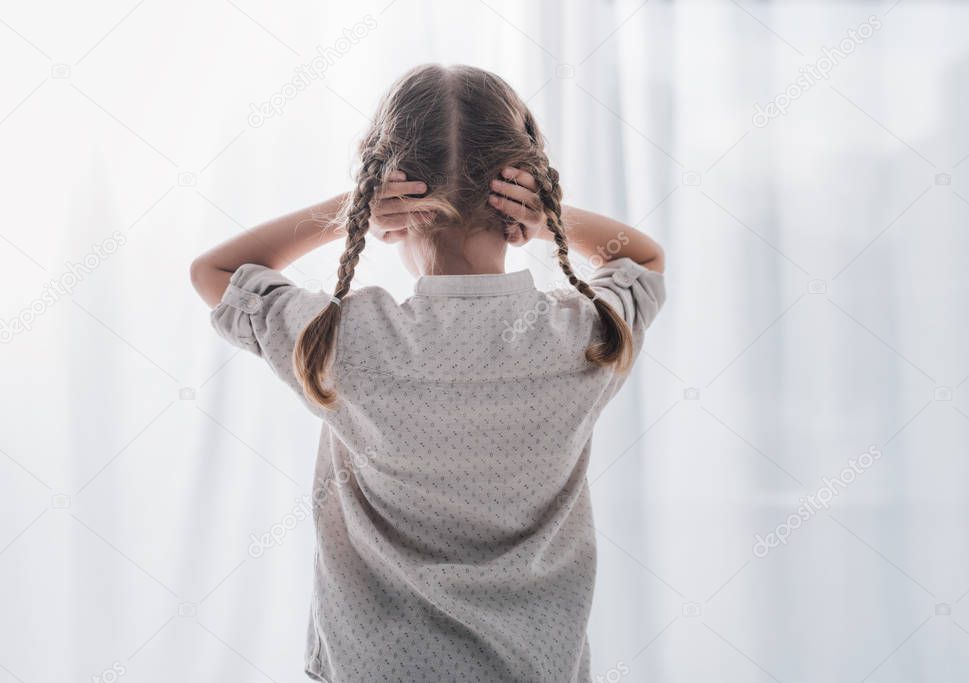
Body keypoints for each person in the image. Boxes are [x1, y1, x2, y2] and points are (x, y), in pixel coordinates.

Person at [190, 63, 666, 682]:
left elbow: (216, 272)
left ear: (393, 202)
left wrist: (349, 211)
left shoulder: (343, 341)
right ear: (521, 195)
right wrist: (551, 219)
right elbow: (644, 261)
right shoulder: (585, 340)